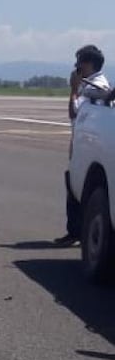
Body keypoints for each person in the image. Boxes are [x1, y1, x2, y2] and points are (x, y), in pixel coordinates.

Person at [55, 44, 110, 246]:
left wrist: (73, 88)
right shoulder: (89, 84)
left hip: (88, 145)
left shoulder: (95, 87)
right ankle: (74, 231)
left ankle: (76, 233)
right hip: (82, 143)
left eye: (79, 63)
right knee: (71, 184)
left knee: (75, 186)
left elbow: (73, 112)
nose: (76, 67)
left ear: (88, 64)